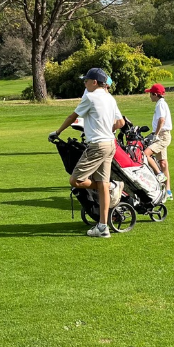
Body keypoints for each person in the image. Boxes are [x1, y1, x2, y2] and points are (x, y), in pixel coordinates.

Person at [51, 68, 124, 238]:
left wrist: (57, 132)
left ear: (94, 82)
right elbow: (120, 122)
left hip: (97, 146)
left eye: (86, 80)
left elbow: (72, 117)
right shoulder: (110, 98)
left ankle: (113, 186)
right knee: (102, 184)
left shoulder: (90, 97)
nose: (84, 83)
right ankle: (103, 227)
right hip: (110, 144)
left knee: (76, 179)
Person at [143, 83, 173, 200]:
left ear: (155, 94)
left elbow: (161, 120)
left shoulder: (160, 104)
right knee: (163, 163)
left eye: (150, 94)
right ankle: (168, 191)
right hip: (161, 135)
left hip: (162, 136)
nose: (149, 96)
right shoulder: (161, 103)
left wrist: (155, 135)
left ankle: (160, 175)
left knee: (146, 154)